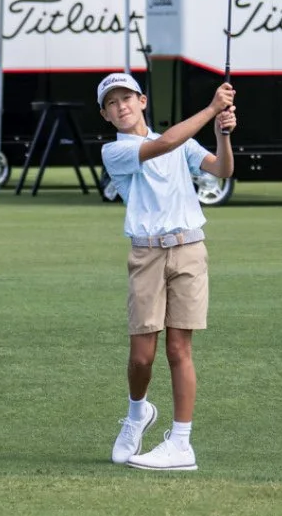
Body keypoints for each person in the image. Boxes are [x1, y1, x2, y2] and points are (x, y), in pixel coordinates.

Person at [97, 70, 236, 472]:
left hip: (189, 248)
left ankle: (180, 443)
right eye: (111, 103)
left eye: (126, 98)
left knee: (179, 349)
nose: (120, 107)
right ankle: (137, 414)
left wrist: (223, 134)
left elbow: (222, 170)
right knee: (142, 357)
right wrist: (212, 109)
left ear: (142, 101)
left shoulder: (182, 141)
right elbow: (163, 144)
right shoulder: (115, 151)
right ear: (105, 115)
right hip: (146, 255)